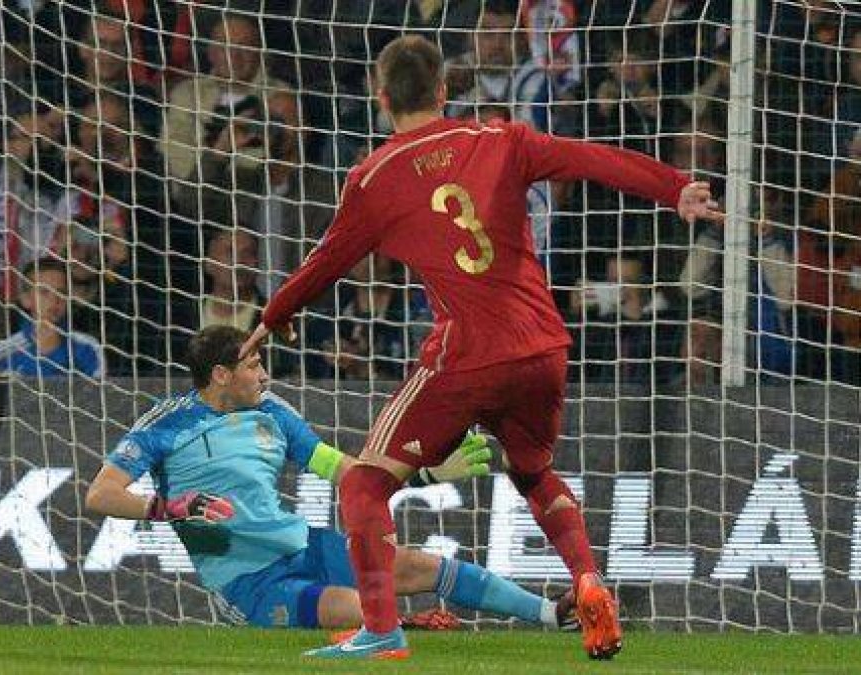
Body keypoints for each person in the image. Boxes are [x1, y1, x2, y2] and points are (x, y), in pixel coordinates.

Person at [241, 35, 723, 660]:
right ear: (443, 91)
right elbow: (589, 159)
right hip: (544, 346)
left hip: (466, 354)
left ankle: (382, 630)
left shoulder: (374, 178)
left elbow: (326, 262)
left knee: (362, 484)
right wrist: (675, 187)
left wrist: (272, 317)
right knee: (532, 471)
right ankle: (586, 579)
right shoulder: (503, 138)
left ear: (382, 98)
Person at [86, 325, 574, 636]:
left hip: (303, 545)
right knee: (360, 608)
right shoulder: (166, 424)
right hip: (246, 581)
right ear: (220, 375)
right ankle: (405, 628)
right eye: (253, 365)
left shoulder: (274, 413)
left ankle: (552, 614)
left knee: (418, 566)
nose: (265, 374)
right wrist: (173, 508)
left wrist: (425, 472)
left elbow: (345, 471)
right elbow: (101, 495)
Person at [0, 258, 106, 381]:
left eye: (61, 292)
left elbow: (97, 397)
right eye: (44, 292)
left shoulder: (89, 347)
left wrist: (53, 353)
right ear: (25, 299)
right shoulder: (2, 353)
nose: (55, 300)